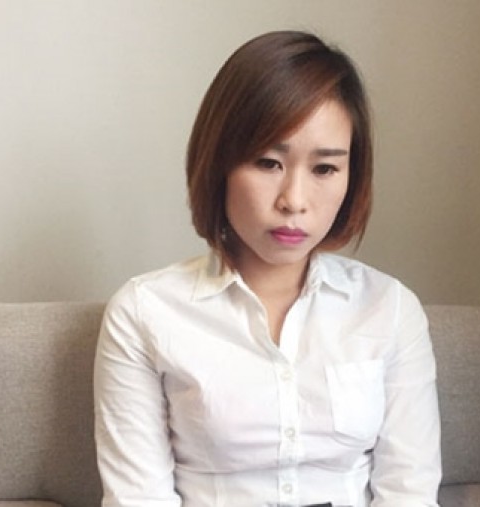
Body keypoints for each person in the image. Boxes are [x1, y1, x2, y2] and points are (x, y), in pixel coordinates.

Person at [94, 30, 441, 507]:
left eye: (324, 169)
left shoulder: (390, 309)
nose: (294, 201)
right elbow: (138, 499)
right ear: (218, 165)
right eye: (267, 162)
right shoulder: (144, 313)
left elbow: (409, 493)